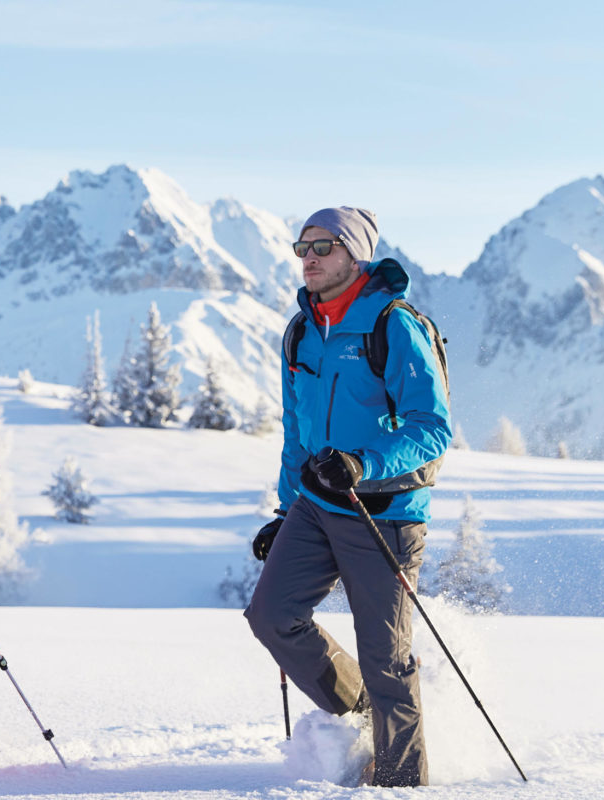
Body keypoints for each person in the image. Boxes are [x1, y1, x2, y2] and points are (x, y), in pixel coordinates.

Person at [243, 207, 452, 787]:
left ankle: (401, 782)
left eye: (324, 247)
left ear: (355, 256)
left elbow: (432, 427)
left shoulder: (394, 324)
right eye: (302, 247)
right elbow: (297, 431)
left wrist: (363, 465)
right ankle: (361, 712)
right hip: (316, 506)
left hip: (384, 512)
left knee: (387, 658)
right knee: (272, 617)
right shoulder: (301, 330)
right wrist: (286, 510)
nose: (309, 257)